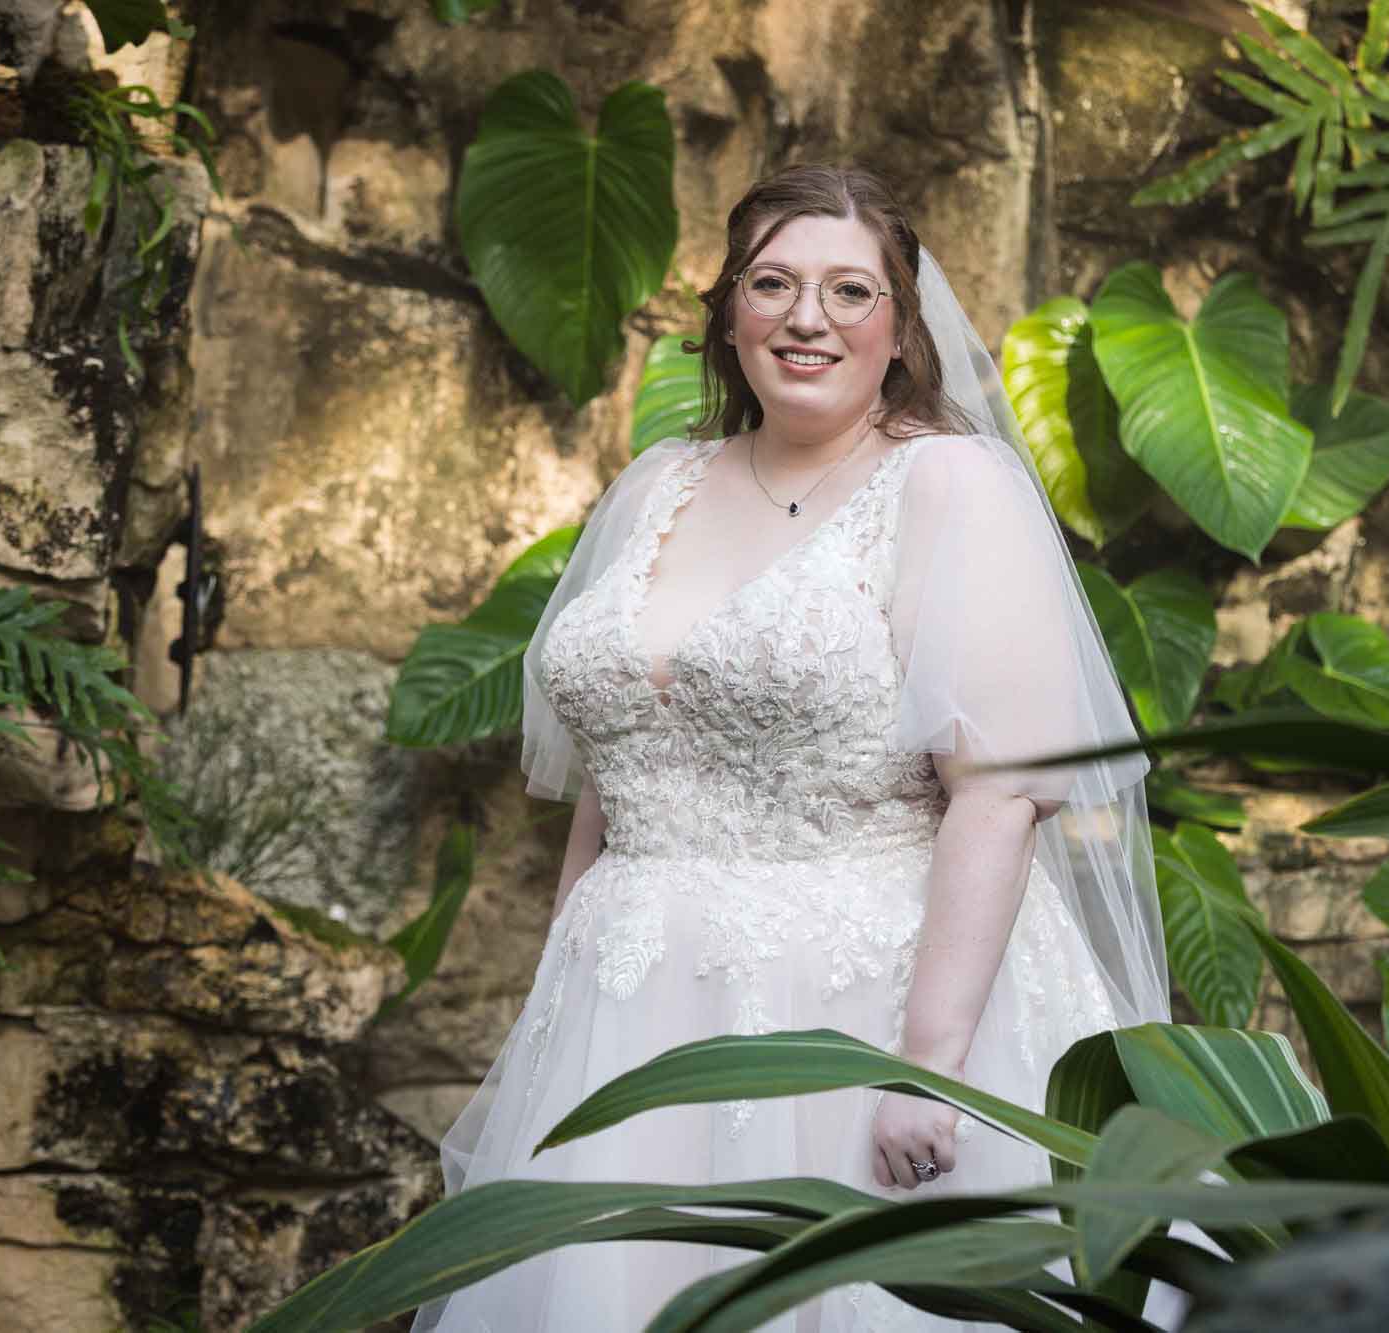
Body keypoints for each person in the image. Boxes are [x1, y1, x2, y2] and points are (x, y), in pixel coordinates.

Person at [413, 164, 1174, 1332]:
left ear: (899, 325)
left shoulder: (945, 488)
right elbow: (613, 771)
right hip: (625, 1006)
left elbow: (998, 794)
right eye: (771, 283)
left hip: (859, 1010)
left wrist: (929, 1066)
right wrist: (554, 999)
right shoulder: (658, 483)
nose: (805, 317)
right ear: (727, 313)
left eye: (847, 290)